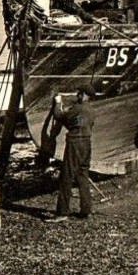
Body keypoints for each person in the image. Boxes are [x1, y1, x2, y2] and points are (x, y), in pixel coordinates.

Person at [46, 85, 95, 221]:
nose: (77, 94)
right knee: (83, 175)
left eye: (80, 92)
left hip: (75, 143)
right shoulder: (91, 110)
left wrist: (58, 103)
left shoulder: (78, 108)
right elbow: (81, 124)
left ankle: (62, 213)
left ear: (84, 94)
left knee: (66, 177)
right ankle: (87, 211)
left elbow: (59, 116)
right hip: (87, 143)